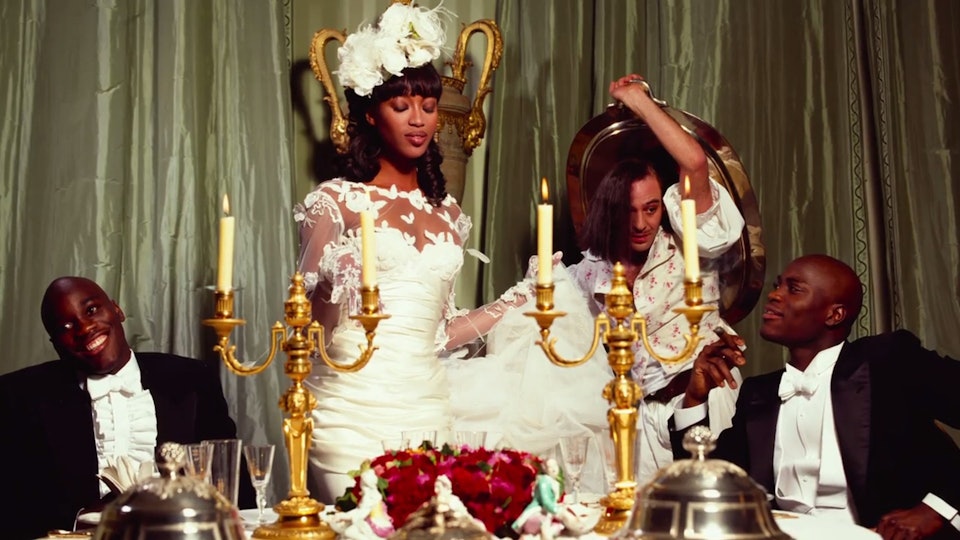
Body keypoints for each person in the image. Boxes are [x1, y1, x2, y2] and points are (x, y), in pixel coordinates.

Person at [294, 2, 529, 503]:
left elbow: (440, 332)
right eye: (402, 106)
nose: (419, 119)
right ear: (372, 114)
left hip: (426, 410)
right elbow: (305, 334)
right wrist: (335, 281)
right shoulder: (335, 202)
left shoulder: (448, 215)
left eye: (428, 105)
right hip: (348, 411)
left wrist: (514, 302)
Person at [671, 254, 960, 539]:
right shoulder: (760, 393)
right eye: (777, 285)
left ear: (834, 315)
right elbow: (705, 485)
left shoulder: (888, 362)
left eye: (794, 289)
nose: (773, 295)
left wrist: (936, 510)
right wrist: (695, 397)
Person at [565, 74, 746, 484]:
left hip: (703, 396)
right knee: (638, 511)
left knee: (705, 505)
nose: (641, 223)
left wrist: (638, 101)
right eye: (628, 211)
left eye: (650, 208)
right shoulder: (588, 273)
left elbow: (694, 162)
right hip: (635, 416)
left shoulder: (688, 241)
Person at [0, 276, 253, 540]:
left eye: (91, 310)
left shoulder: (191, 378)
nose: (85, 328)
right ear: (56, 345)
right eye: (66, 326)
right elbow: (10, 504)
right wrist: (79, 518)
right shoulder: (20, 396)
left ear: (117, 310)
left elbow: (234, 484)